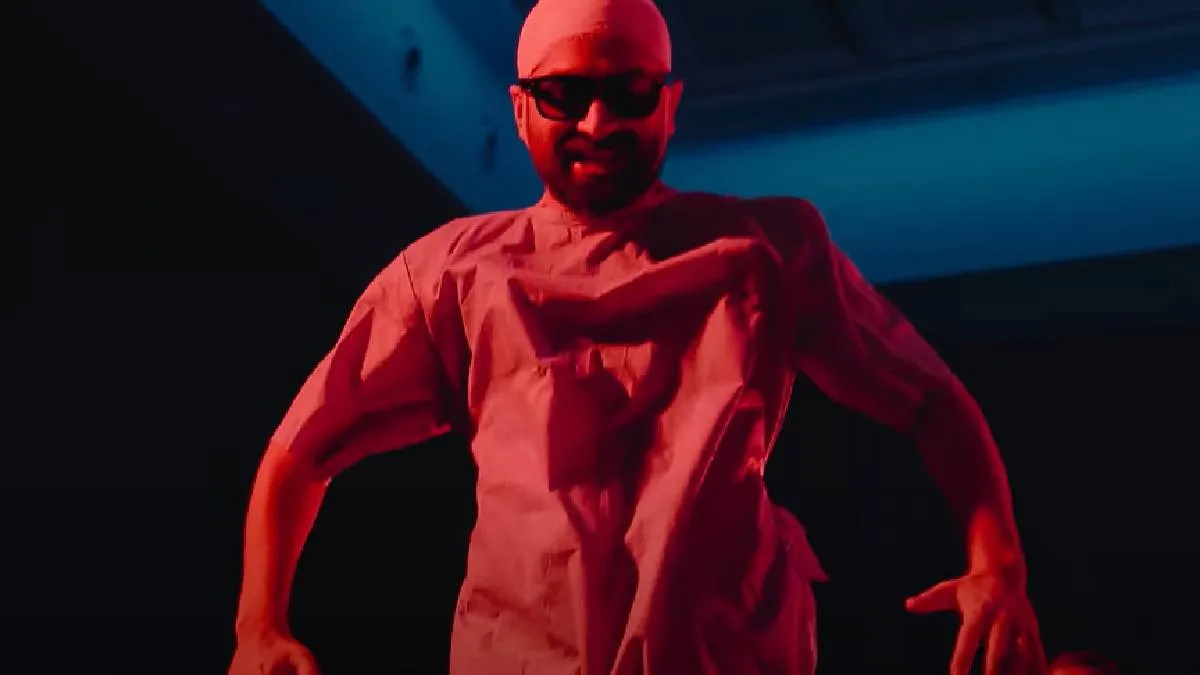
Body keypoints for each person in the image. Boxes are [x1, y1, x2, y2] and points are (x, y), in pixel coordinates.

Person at [228, 0, 1047, 673]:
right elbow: (301, 449)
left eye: (628, 93)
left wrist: (998, 562)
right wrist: (258, 625)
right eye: (564, 95)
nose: (597, 121)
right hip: (524, 654)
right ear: (519, 108)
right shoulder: (451, 273)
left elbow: (930, 399)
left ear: (670, 103)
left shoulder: (766, 249)